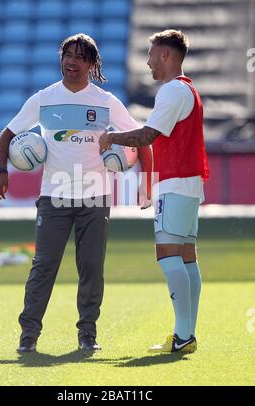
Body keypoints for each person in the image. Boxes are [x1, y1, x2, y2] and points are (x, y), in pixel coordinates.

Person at [0, 33, 152, 353]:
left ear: (91, 64)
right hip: (54, 196)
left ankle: (87, 334)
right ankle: (29, 335)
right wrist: (1, 170)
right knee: (44, 266)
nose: (71, 60)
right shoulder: (43, 98)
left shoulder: (106, 101)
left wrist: (148, 182)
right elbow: (6, 136)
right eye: (67, 54)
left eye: (79, 56)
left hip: (95, 197)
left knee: (91, 266)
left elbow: (141, 138)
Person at [99, 29, 210, 353]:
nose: (147, 62)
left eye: (151, 55)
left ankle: (184, 335)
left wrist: (112, 138)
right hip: (186, 184)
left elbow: (147, 135)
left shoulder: (173, 91)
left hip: (175, 183)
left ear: (165, 55)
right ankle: (185, 334)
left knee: (168, 255)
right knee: (187, 257)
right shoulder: (185, 90)